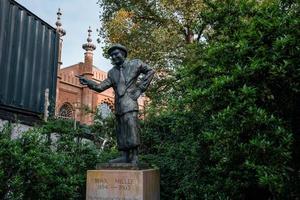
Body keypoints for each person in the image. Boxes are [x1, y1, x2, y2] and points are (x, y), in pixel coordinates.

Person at [78, 44, 155, 164]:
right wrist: (89, 82)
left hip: (130, 104)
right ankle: (124, 156)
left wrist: (140, 89)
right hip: (119, 106)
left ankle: (134, 156)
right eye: (111, 56)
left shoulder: (135, 64)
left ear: (123, 54)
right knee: (121, 131)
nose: (113, 57)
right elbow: (100, 87)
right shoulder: (112, 73)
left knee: (131, 128)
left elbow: (150, 71)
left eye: (116, 54)